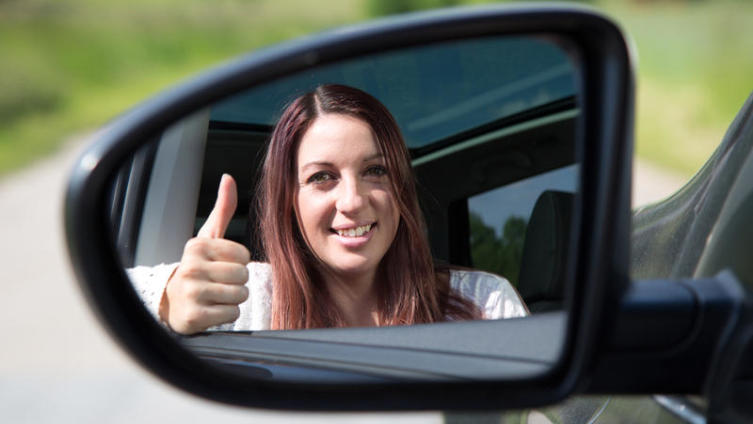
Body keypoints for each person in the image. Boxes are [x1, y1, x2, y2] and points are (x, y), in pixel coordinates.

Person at [130, 84, 527, 334]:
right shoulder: (239, 298)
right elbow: (106, 301)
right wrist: (170, 299)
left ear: (401, 189)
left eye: (375, 171)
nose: (353, 201)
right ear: (289, 202)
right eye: (322, 177)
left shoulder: (484, 305)